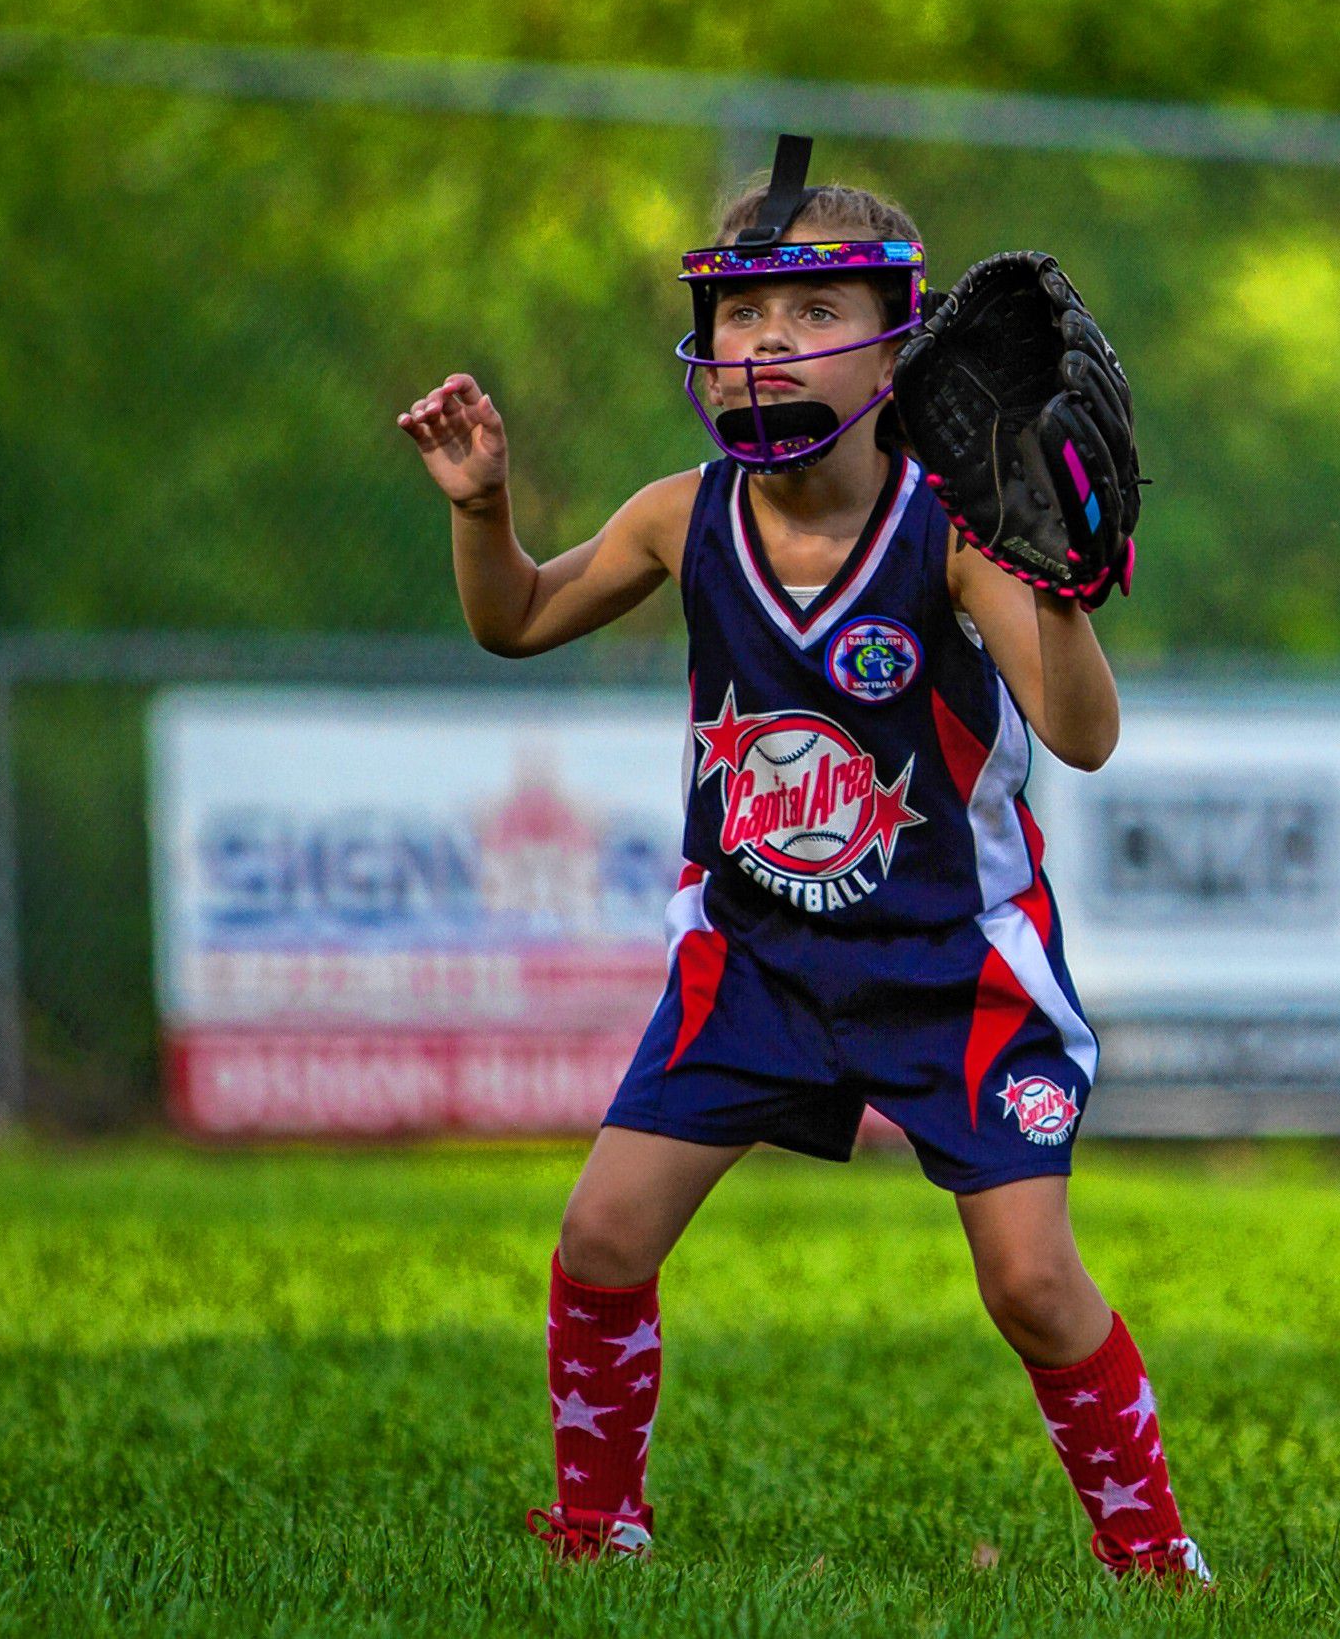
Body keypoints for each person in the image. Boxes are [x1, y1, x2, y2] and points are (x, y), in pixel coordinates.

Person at [395, 140, 1207, 1581]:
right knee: (601, 1238)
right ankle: (599, 1532)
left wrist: (1065, 588)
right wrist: (480, 511)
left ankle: (1157, 1558)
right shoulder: (679, 514)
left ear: (900, 351)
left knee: (1028, 1281)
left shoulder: (954, 530)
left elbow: (1084, 738)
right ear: (702, 355)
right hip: (756, 956)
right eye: (740, 320)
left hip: (954, 969)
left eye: (815, 315)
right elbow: (514, 619)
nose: (768, 344)